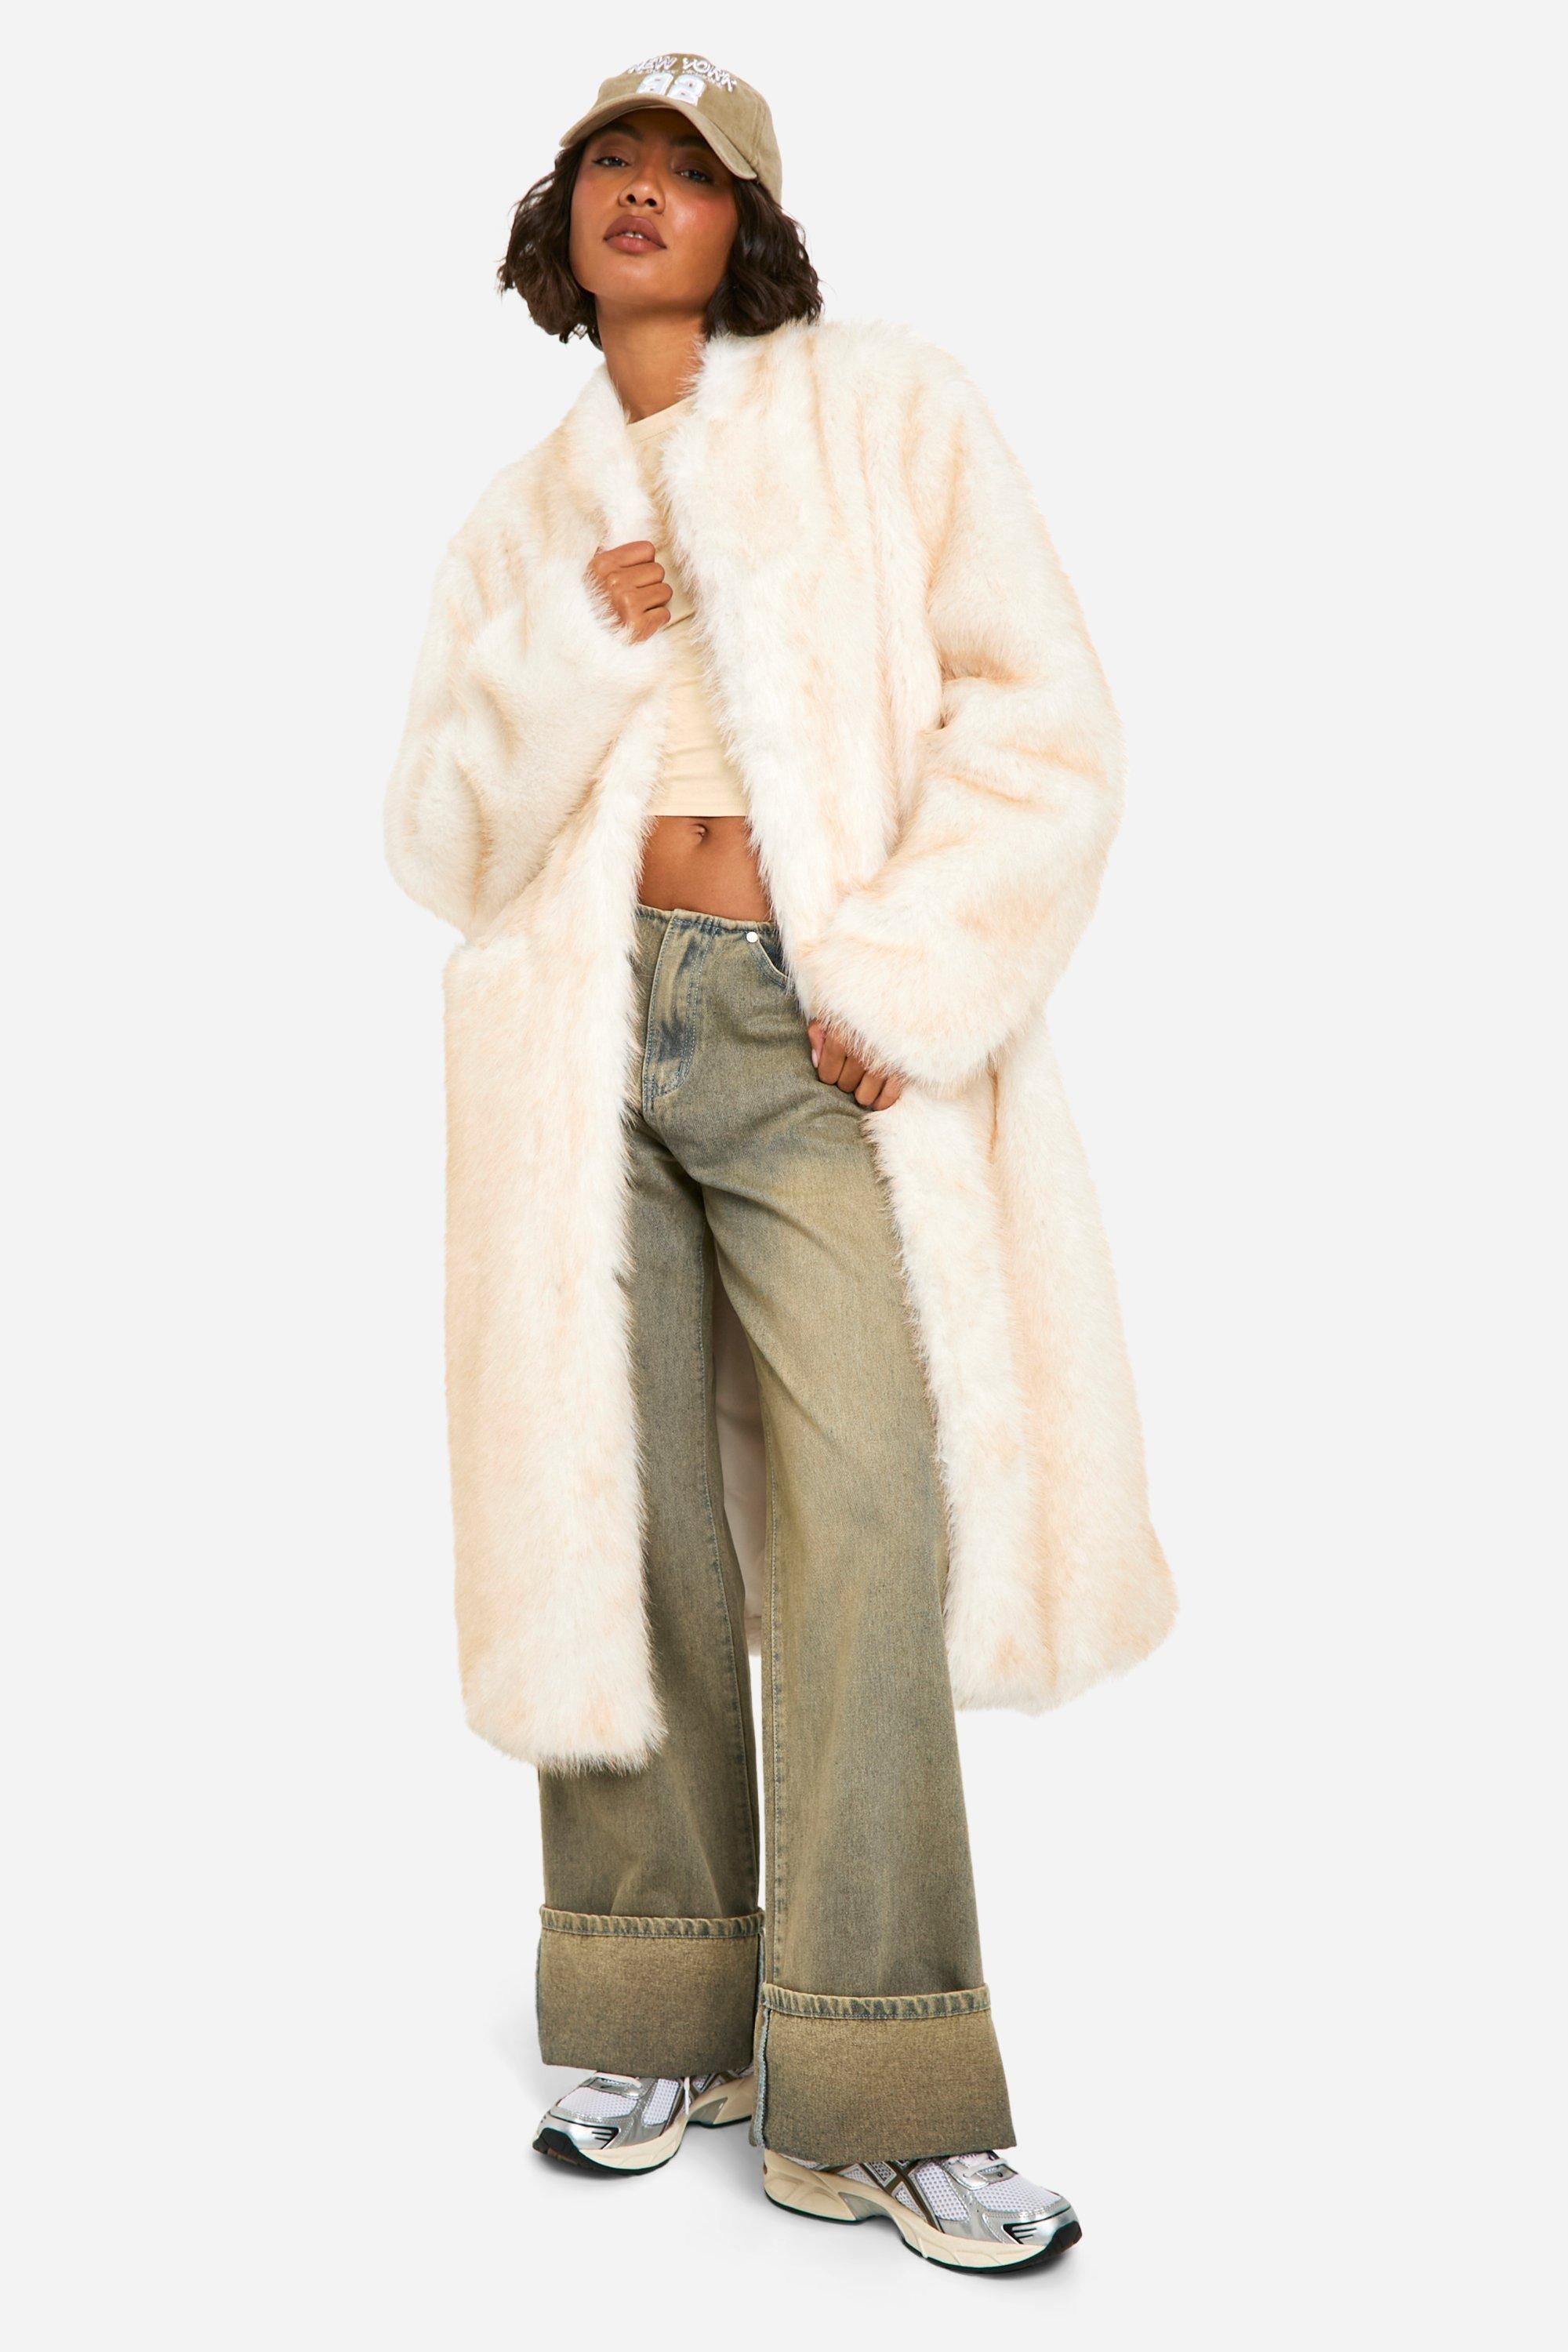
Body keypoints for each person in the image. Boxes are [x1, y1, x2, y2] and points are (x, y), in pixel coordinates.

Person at [385, 53, 1175, 2275]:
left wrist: (899, 973)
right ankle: (656, 2016)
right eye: (609, 164)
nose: (643, 192)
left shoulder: (891, 417)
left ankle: (885, 2081)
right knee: (618, 1520)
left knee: (868, 1521)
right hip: (582, 1047)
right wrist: (573, 646)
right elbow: (438, 841)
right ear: (564, 220)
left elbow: (1049, 730)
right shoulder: (519, 517)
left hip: (811, 1031)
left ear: (753, 223)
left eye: (692, 169)